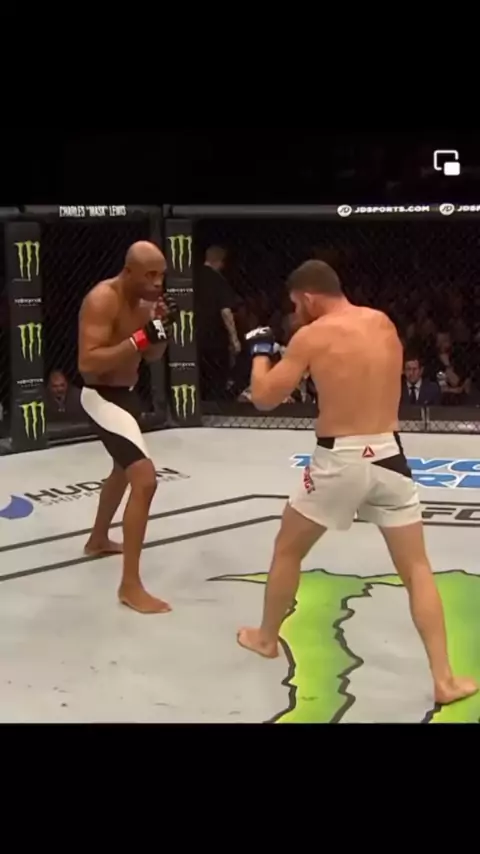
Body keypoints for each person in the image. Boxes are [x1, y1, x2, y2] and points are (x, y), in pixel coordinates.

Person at [238, 259, 477, 707]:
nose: (296, 313)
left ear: (308, 297)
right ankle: (444, 679)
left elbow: (265, 398)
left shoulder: (312, 335)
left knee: (288, 549)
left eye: (296, 305)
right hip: (389, 454)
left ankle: (267, 638)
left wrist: (260, 353)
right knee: (417, 569)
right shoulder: (382, 323)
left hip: (340, 458)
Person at [78, 240, 177, 614]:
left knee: (122, 469)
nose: (157, 283)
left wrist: (159, 330)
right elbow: (88, 363)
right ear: (129, 270)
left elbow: (152, 356)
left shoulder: (148, 303)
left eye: (161, 275)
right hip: (99, 396)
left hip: (127, 394)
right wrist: (139, 338)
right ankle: (130, 586)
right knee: (144, 480)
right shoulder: (102, 299)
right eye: (150, 275)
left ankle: (98, 539)